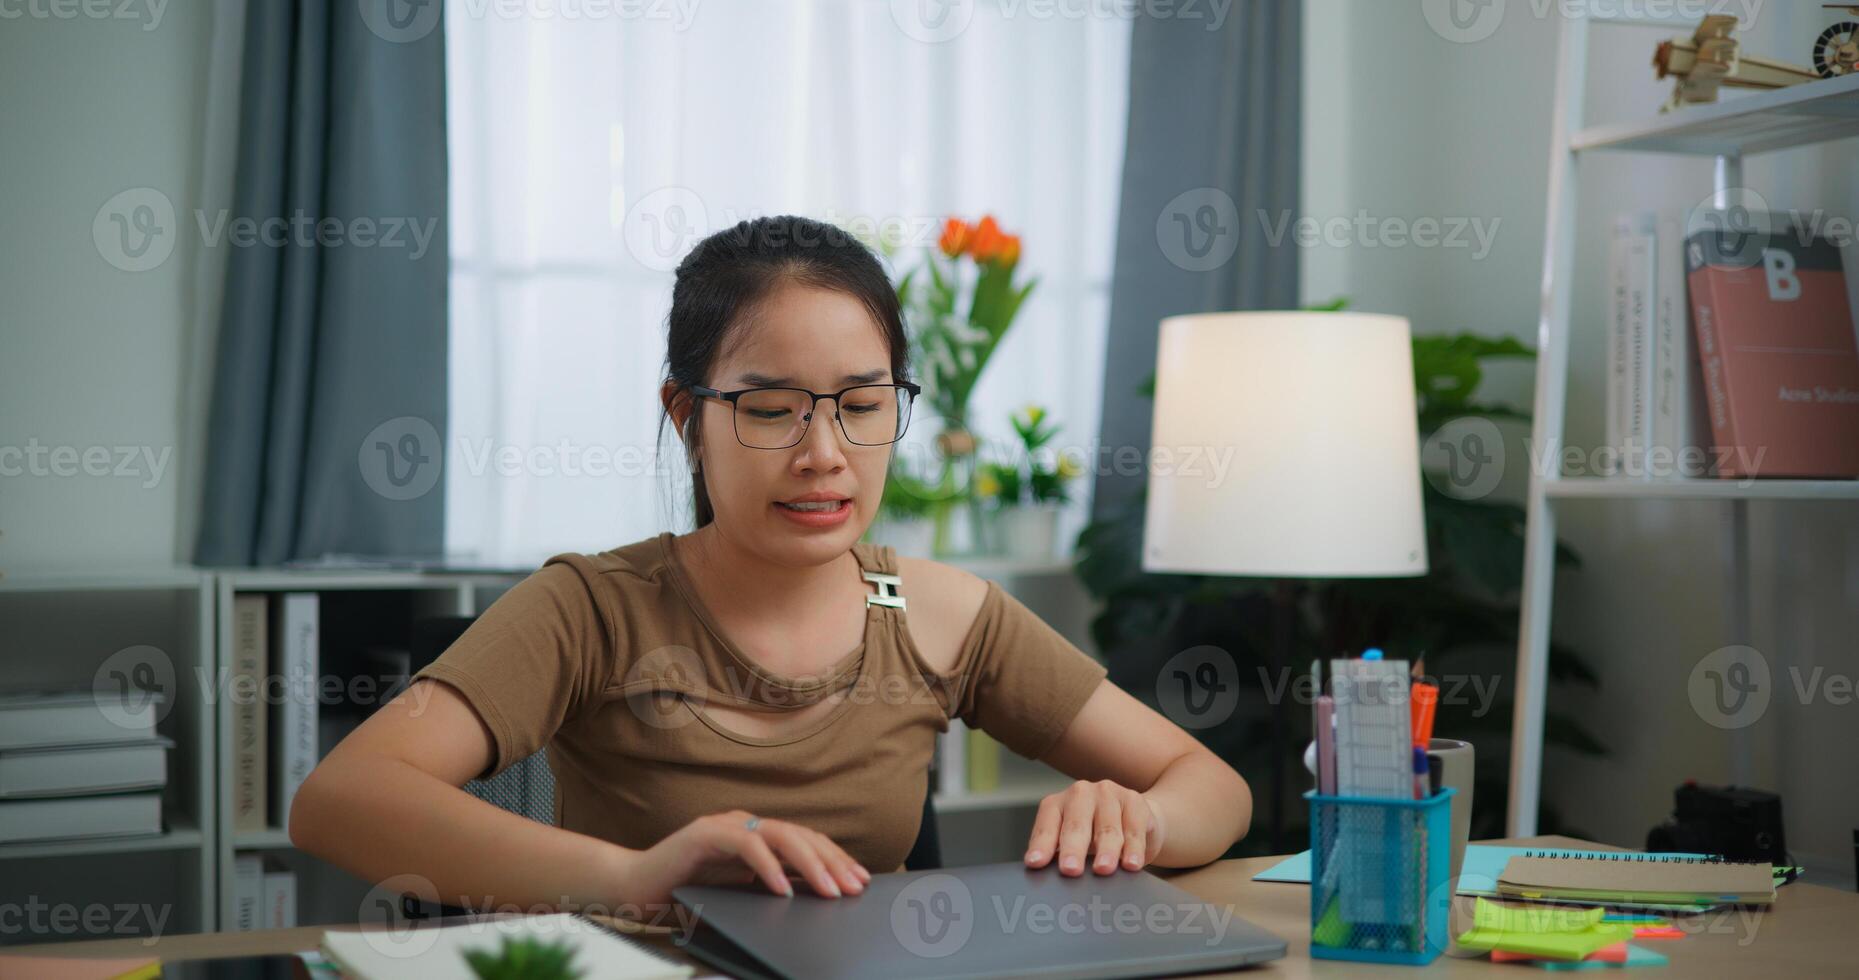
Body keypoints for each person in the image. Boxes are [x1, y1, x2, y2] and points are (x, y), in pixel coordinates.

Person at [290, 215, 1252, 918]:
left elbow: (1212, 787)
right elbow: (341, 802)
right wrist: (634, 878)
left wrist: (1136, 822)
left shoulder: (938, 612)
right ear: (687, 416)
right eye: (769, 406)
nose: (824, 451)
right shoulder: (590, 607)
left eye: (861, 404)